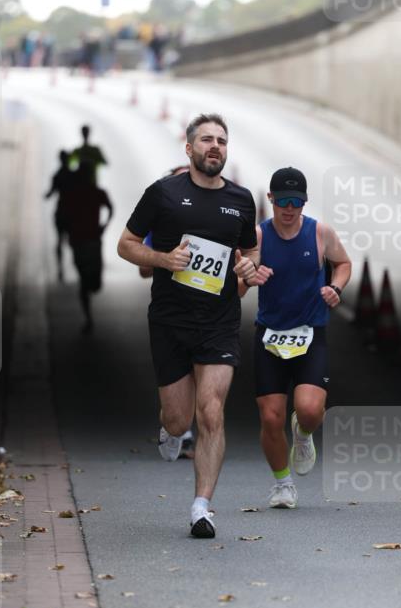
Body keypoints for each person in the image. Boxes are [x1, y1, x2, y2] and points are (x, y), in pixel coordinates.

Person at [117, 113, 258, 538]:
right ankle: (170, 427)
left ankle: (201, 507)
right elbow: (124, 245)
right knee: (180, 420)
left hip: (218, 322)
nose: (214, 146)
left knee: (211, 412)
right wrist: (163, 259)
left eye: (221, 140)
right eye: (206, 140)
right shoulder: (162, 194)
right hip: (171, 320)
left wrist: (249, 272)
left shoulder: (241, 199)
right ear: (189, 148)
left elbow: (250, 253)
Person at [239, 167, 351, 510]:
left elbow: (343, 263)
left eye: (297, 202)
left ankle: (303, 433)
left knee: (310, 410)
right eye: (283, 201)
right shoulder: (257, 237)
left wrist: (335, 287)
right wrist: (250, 275)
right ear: (270, 199)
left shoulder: (320, 233)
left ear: (304, 203)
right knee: (270, 416)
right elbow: (238, 289)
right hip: (270, 335)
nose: (289, 209)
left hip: (309, 333)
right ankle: (283, 484)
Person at [138, 166, 195, 460]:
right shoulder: (161, 222)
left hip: (209, 317)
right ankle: (175, 426)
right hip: (170, 313)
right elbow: (143, 269)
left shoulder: (217, 218)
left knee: (207, 382)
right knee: (178, 392)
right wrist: (169, 257)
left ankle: (188, 435)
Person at [59, 161, 113, 333]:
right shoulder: (96, 192)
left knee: (86, 280)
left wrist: (68, 231)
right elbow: (111, 208)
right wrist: (104, 225)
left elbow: (63, 216)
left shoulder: (73, 194)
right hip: (90, 240)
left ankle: (88, 315)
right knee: (91, 281)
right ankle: (88, 317)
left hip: (80, 241)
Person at [44, 150, 74, 281]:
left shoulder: (57, 176)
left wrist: (45, 195)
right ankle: (76, 264)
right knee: (74, 240)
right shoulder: (73, 175)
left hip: (61, 212)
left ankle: (60, 268)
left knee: (59, 240)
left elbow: (50, 194)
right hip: (72, 212)